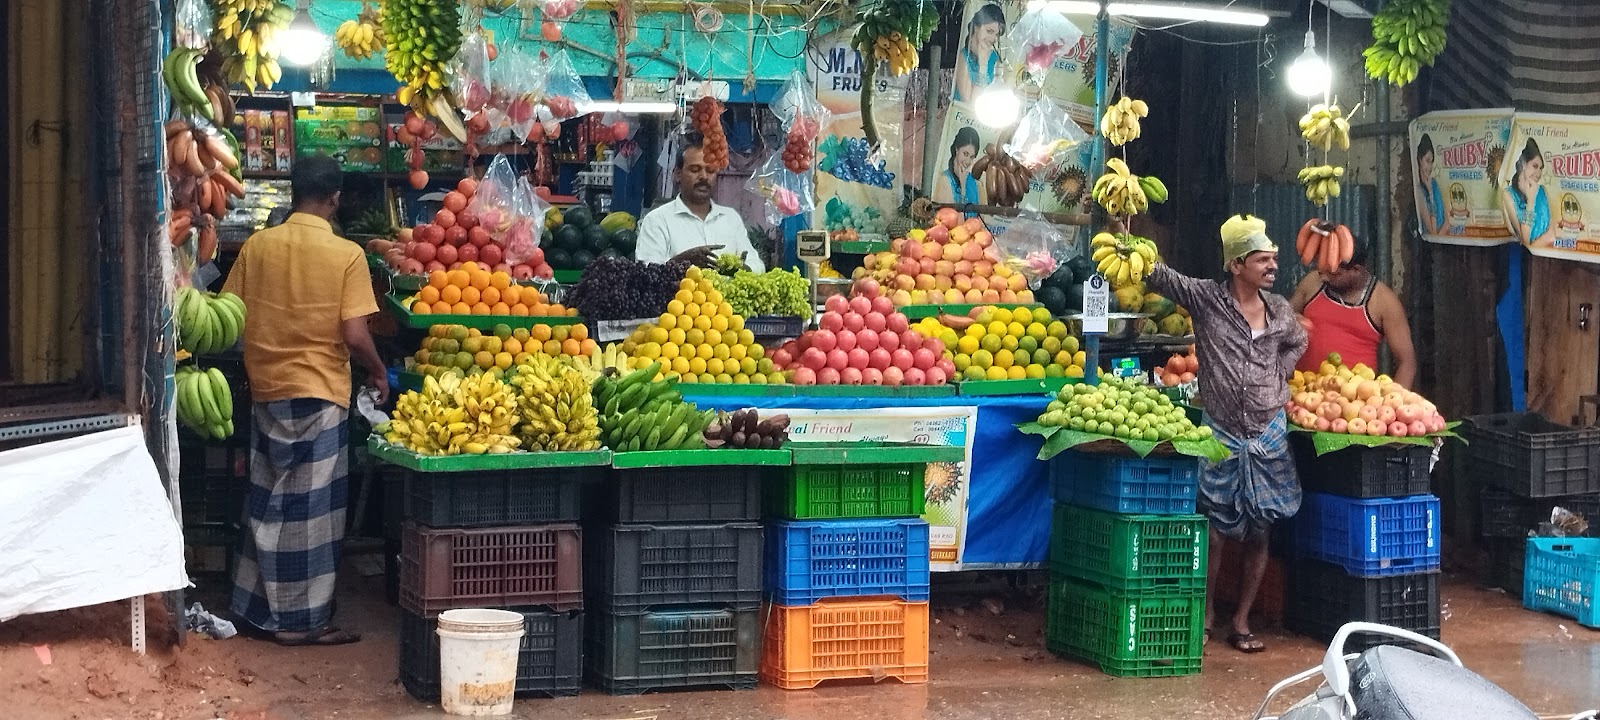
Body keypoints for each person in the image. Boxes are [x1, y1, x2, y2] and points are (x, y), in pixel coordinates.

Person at [223, 156, 388, 647]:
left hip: (268, 389)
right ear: (335, 199)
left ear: (293, 193)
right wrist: (377, 368)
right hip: (319, 393)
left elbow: (231, 314)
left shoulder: (258, 246)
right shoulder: (346, 255)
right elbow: (355, 334)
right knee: (313, 513)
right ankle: (302, 622)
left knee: (268, 501)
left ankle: (254, 609)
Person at [1144, 214, 1307, 655]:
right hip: (1222, 431)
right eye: (1262, 260)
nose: (1273, 267)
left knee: (1261, 530)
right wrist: (1126, 234)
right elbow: (1158, 275)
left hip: (1268, 431)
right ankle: (1208, 613)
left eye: (1274, 259)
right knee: (1213, 529)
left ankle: (1241, 620)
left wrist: (1281, 373)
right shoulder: (1206, 300)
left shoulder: (1280, 312)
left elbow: (1298, 343)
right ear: (1236, 265)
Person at [1290, 244, 1417, 388]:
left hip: (1354, 401)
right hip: (1303, 390)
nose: (1324, 277)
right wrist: (1293, 321)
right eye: (1321, 271)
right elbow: (1282, 319)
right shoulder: (1312, 282)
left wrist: (1395, 401)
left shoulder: (1383, 301)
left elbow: (1407, 362)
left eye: (1332, 273)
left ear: (1356, 270)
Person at [636, 143, 766, 272]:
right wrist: (682, 262)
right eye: (695, 169)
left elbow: (756, 264)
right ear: (677, 174)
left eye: (710, 170)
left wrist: (737, 269)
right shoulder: (657, 220)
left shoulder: (730, 218)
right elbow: (648, 274)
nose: (704, 176)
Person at [1501, 137, 1554, 246]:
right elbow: (1525, 239)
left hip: (1546, 256)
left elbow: (1551, 234)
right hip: (1523, 258)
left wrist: (1532, 246)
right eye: (1535, 166)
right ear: (1524, 164)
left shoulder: (1543, 191)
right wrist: (1530, 202)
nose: (1538, 173)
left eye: (1540, 168)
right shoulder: (1508, 195)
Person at [954, 3, 1005, 103]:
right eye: (989, 31)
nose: (993, 39)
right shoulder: (964, 57)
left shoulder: (995, 59)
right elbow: (971, 103)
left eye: (997, 34)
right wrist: (982, 65)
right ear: (977, 27)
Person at [935, 126, 983, 206]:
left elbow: (983, 217)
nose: (968, 161)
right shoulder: (945, 180)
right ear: (957, 149)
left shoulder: (974, 182)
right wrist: (962, 187)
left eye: (971, 157)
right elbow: (950, 217)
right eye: (965, 154)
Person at [1415, 134, 1444, 235]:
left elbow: (1447, 221)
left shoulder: (1434, 184)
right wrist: (1430, 194)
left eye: (1431, 162)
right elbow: (1432, 230)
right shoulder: (1419, 191)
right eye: (1427, 161)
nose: (1430, 166)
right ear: (1420, 160)